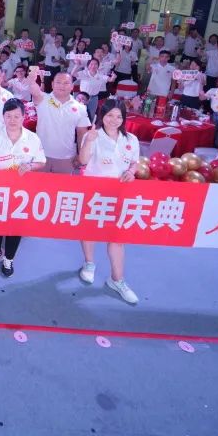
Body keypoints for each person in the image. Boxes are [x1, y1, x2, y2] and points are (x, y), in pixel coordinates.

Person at [78, 98, 140, 304]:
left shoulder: (131, 139)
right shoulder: (93, 135)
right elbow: (83, 161)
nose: (114, 120)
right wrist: (88, 141)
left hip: (120, 194)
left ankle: (117, 280)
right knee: (90, 230)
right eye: (110, 115)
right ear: (102, 116)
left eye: (119, 116)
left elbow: (134, 162)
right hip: (95, 193)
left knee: (117, 237)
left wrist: (131, 172)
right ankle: (89, 264)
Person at [0, 98, 46, 277]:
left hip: (20, 191)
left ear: (23, 117)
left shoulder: (32, 138)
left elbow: (41, 161)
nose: (12, 120)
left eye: (16, 116)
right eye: (9, 116)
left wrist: (30, 166)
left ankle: (9, 258)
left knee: (15, 224)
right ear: (3, 117)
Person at [29, 71, 90, 174]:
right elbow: (34, 91)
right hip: (40, 156)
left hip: (66, 158)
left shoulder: (80, 108)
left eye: (66, 83)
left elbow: (82, 133)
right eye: (58, 82)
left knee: (63, 184)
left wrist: (80, 155)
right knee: (38, 184)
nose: (62, 85)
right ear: (52, 84)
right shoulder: (43, 98)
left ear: (72, 86)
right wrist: (31, 81)